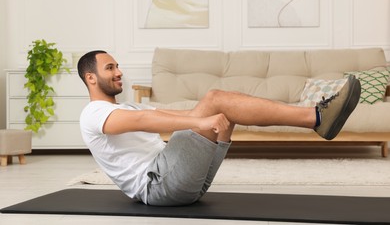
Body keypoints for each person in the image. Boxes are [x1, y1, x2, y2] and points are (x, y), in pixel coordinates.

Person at [77, 50, 361, 206]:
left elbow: (169, 114)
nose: (119, 72)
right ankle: (316, 118)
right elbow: (142, 122)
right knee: (215, 99)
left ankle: (315, 117)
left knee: (221, 103)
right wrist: (201, 119)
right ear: (91, 77)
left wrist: (202, 116)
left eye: (118, 66)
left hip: (178, 181)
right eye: (110, 68)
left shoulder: (124, 107)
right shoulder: (93, 113)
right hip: (158, 185)